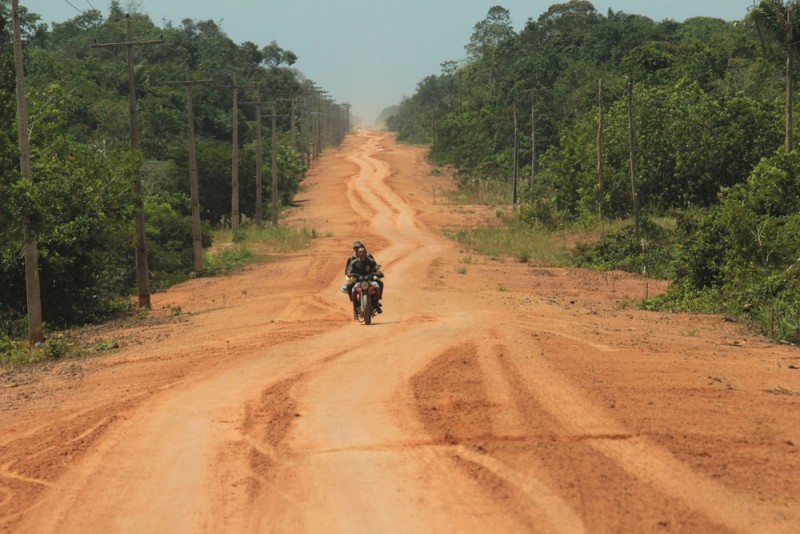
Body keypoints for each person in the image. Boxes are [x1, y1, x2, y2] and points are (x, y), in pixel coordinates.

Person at [345, 246, 384, 319]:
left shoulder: (371, 261)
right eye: (360, 252)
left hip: (370, 280)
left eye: (363, 252)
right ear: (357, 254)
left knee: (377, 286)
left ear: (366, 252)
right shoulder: (354, 262)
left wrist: (378, 272)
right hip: (359, 281)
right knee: (353, 291)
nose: (362, 253)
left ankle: (376, 303)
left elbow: (375, 268)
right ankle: (355, 309)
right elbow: (349, 269)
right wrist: (349, 273)